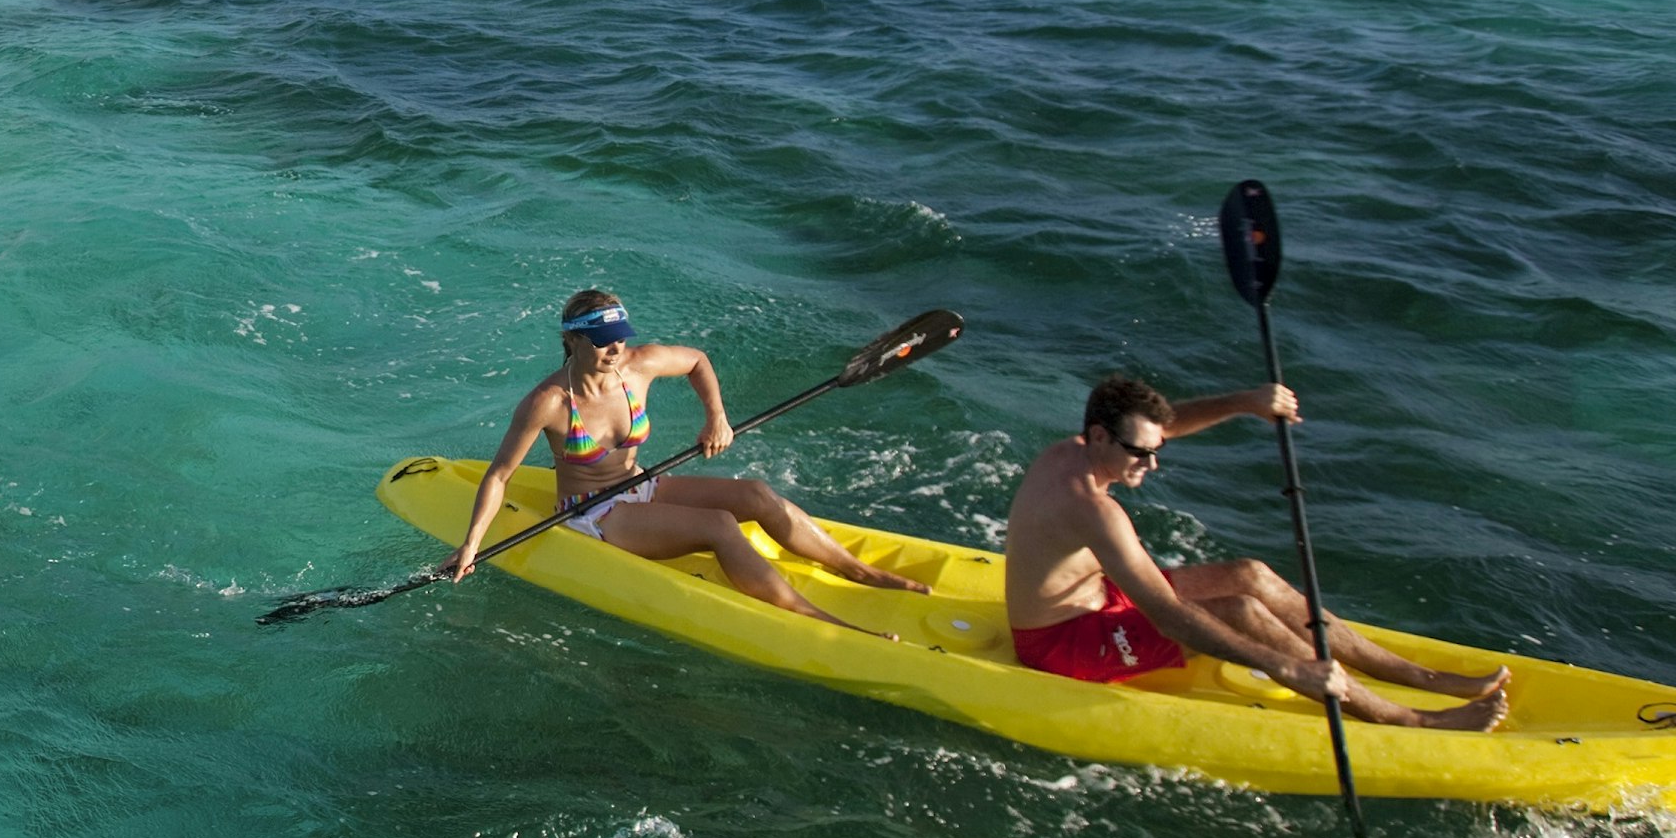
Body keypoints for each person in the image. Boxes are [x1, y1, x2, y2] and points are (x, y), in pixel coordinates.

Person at [1003, 373, 1509, 731]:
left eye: (1156, 450)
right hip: (1059, 641)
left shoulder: (1077, 450)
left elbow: (1168, 424)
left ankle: (1420, 677)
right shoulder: (1092, 509)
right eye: (1141, 454)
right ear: (1098, 435)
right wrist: (1285, 667)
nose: (1152, 464)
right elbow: (1166, 617)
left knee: (1251, 574)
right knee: (1240, 612)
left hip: (1097, 595)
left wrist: (1246, 401)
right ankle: (1404, 716)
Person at [444, 290, 927, 629]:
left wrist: (716, 417)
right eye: (602, 340)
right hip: (594, 514)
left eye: (621, 337)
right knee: (718, 524)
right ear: (572, 339)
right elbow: (500, 476)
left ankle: (858, 571)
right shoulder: (548, 401)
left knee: (756, 493)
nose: (616, 348)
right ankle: (810, 617)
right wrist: (471, 545)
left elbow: (697, 360)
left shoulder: (639, 365)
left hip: (642, 484)